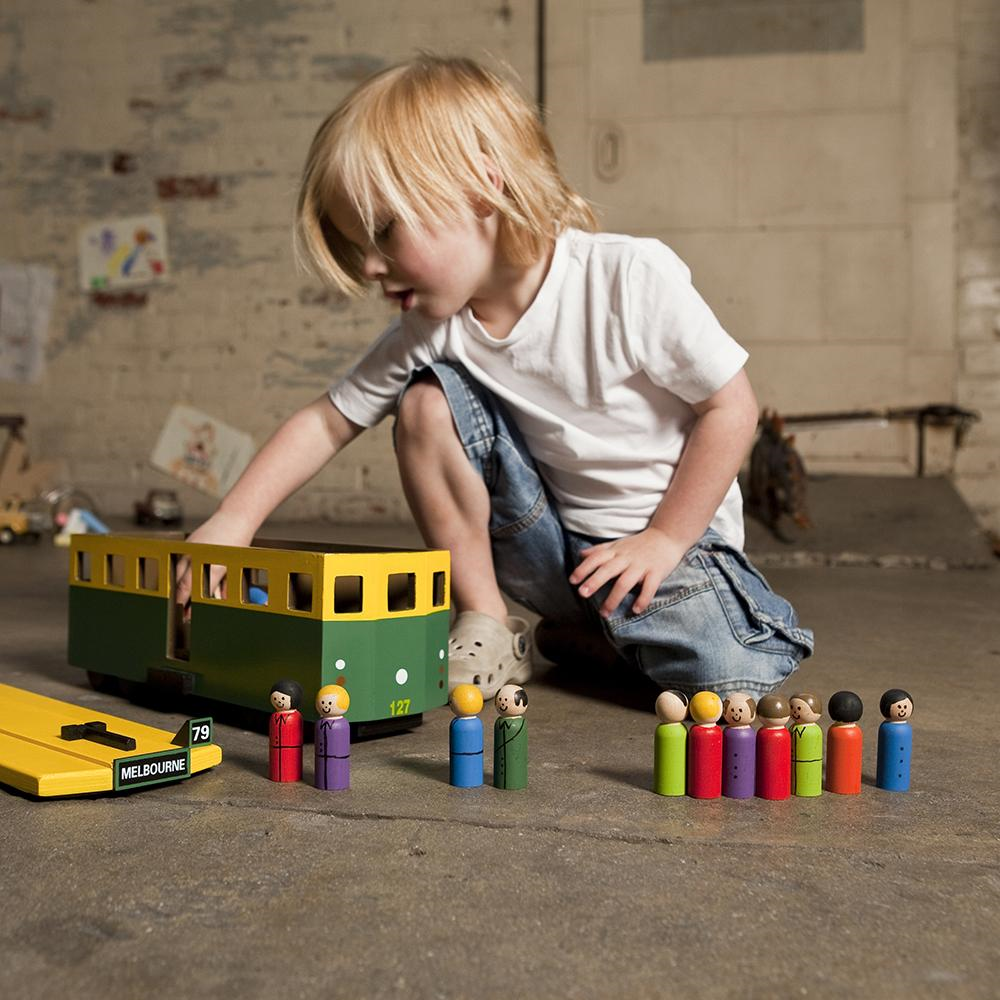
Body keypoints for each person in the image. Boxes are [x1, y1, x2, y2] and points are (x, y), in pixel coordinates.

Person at [178, 55, 813, 702]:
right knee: (426, 401)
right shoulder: (433, 328)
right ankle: (487, 620)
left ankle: (613, 639)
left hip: (671, 549)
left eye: (383, 232)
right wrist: (233, 522)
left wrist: (664, 538)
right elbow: (326, 420)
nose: (369, 266)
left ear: (482, 186)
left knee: (731, 682)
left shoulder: (627, 279)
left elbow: (732, 409)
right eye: (356, 246)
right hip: (554, 554)